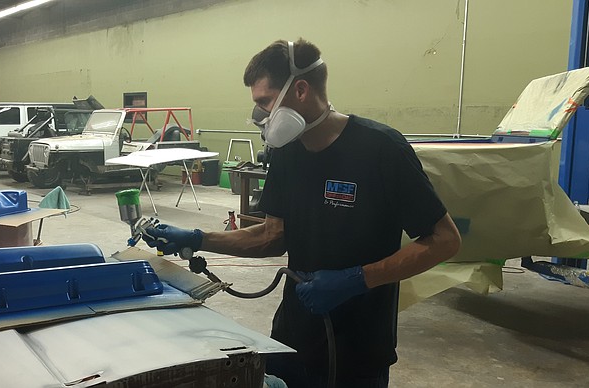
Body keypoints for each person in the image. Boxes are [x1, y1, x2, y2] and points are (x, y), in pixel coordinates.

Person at [144, 38, 461, 388]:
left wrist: (358, 279)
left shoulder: (382, 149)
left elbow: (444, 240)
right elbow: (271, 236)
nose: (259, 116)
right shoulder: (287, 153)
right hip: (292, 339)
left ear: (300, 90)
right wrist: (198, 238)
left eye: (264, 102)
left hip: (358, 350)